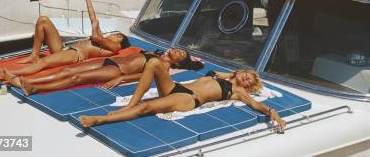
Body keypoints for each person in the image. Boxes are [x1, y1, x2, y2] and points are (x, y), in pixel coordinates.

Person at [79, 58, 286, 131]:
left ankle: (100, 120)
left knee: (146, 108)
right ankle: (130, 102)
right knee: (153, 63)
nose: (246, 78)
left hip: (189, 99)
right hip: (176, 88)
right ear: (238, 72)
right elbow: (213, 72)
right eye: (246, 74)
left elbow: (255, 105)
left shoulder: (238, 92)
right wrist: (231, 74)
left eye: (250, 80)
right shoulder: (218, 75)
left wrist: (272, 112)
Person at [0, 0, 130, 81]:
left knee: (45, 62)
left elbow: (95, 36)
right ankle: (34, 55)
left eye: (116, 34)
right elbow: (93, 17)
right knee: (43, 20)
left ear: (119, 38)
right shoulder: (103, 39)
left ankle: (12, 73)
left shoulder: (115, 47)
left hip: (74, 55)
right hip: (63, 49)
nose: (112, 33)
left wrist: (95, 27)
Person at [1, 47, 203, 96]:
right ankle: (23, 79)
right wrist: (192, 60)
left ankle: (33, 87)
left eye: (180, 53)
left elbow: (145, 76)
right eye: (179, 50)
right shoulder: (157, 54)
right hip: (110, 61)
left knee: (76, 77)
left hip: (115, 70)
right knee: (68, 69)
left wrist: (122, 78)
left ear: (177, 63)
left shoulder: (165, 67)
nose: (177, 50)